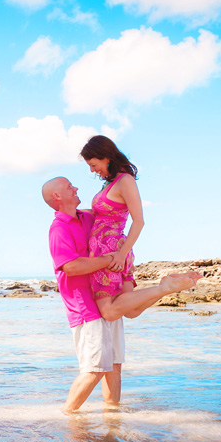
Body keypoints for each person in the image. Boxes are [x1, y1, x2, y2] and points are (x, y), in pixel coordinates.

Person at [42, 177, 201, 412]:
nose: (75, 188)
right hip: (85, 307)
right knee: (94, 370)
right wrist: (110, 259)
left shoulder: (86, 217)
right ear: (57, 197)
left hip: (108, 293)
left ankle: (112, 417)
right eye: (69, 187)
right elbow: (71, 267)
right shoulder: (59, 228)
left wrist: (125, 258)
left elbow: (112, 222)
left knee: (114, 365)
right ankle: (68, 420)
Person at [80, 135, 149, 322]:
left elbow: (139, 221)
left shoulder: (125, 180)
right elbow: (100, 214)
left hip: (111, 252)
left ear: (106, 157)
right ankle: (166, 287)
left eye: (93, 165)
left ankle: (163, 288)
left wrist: (121, 254)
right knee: (131, 311)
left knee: (109, 312)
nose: (92, 170)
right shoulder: (110, 183)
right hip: (108, 251)